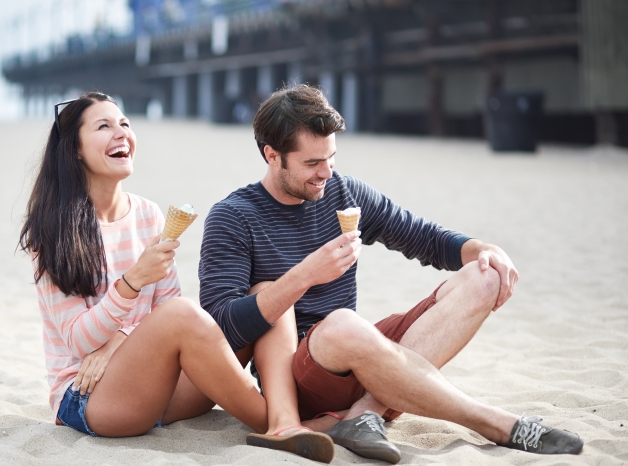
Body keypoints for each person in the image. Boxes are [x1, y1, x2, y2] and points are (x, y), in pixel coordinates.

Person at [198, 84, 584, 464]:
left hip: (365, 361)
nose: (326, 174)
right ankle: (497, 423)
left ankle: (363, 415)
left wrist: (482, 248)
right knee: (344, 325)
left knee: (484, 276)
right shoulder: (233, 217)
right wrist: (305, 275)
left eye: (331, 158)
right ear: (272, 155)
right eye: (312, 164)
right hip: (300, 375)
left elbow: (423, 238)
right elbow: (221, 330)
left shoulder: (345, 194)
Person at [17, 92, 334, 462]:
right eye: (104, 126)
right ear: (74, 149)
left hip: (158, 386)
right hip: (89, 397)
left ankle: (285, 420)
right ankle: (290, 426)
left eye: (125, 123)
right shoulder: (52, 229)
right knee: (184, 315)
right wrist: (132, 281)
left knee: (267, 296)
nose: (121, 133)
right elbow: (76, 341)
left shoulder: (148, 214)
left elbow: (164, 312)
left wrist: (119, 339)